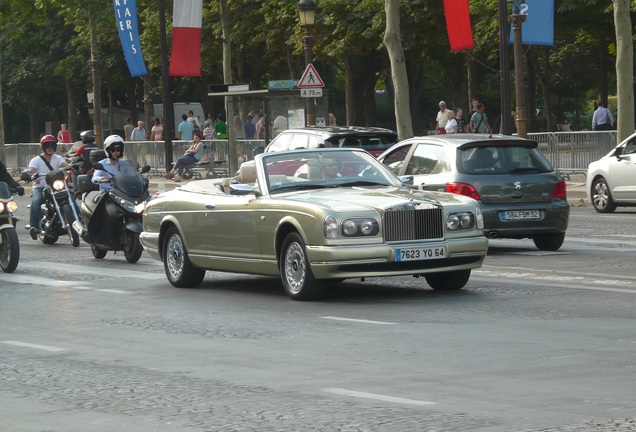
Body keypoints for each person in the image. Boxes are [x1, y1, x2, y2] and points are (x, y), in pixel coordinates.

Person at [27, 135, 70, 239]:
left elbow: (66, 165)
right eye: (47, 145)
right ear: (43, 147)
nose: (50, 148)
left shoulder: (58, 158)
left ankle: (79, 220)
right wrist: (28, 173)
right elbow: (31, 170)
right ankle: (34, 227)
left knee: (70, 198)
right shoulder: (36, 160)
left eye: (52, 145)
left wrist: (72, 165)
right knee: (36, 201)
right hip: (40, 187)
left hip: (56, 187)